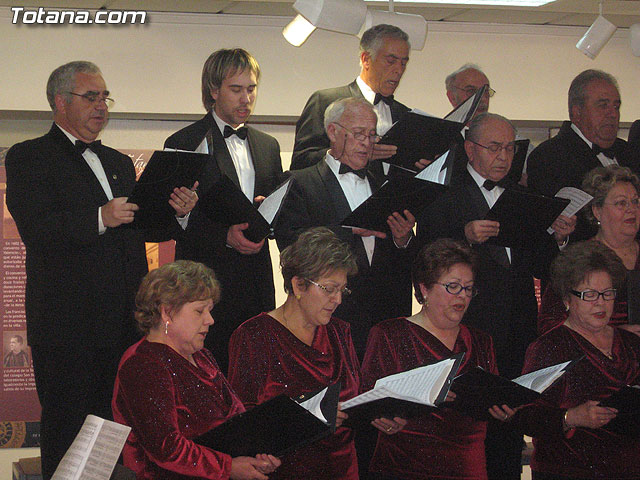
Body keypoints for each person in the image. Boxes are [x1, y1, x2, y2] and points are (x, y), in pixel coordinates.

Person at [5, 61, 195, 479]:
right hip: (66, 326)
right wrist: (98, 217)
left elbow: (138, 228)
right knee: (69, 429)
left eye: (104, 97)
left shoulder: (119, 162)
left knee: (116, 431)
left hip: (123, 323)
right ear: (60, 102)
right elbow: (38, 230)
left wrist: (177, 214)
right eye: (90, 97)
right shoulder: (27, 157)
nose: (101, 105)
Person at [418, 112, 575, 480]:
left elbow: (542, 267)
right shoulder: (445, 195)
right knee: (466, 436)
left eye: (509, 148)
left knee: (509, 435)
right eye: (494, 147)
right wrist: (464, 238)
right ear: (470, 149)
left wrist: (558, 236)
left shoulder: (522, 196)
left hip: (518, 332)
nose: (504, 156)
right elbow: (423, 257)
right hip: (466, 333)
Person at [228, 227, 406, 480]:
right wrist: (310, 417)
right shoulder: (254, 334)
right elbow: (243, 421)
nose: (338, 300)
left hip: (343, 468)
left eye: (342, 290)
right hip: (284, 470)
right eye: (329, 289)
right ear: (298, 284)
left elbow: (356, 397)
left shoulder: (339, 332)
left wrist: (380, 415)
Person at [164, 48, 283, 374]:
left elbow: (276, 208)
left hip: (256, 280)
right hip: (205, 282)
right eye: (236, 89)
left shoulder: (268, 146)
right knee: (204, 379)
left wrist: (266, 215)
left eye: (251, 88)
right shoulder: (184, 141)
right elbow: (173, 221)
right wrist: (224, 236)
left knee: (258, 378)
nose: (246, 98)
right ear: (213, 90)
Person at [112, 260, 281, 479]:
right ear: (167, 312)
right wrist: (228, 467)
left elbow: (238, 419)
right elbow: (166, 449)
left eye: (209, 311)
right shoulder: (143, 363)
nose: (210, 320)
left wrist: (257, 455)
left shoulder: (202, 356)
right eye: (199, 311)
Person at [362, 238, 514, 480]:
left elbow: (491, 396)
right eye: (453, 286)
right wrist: (384, 418)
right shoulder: (389, 333)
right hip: (403, 466)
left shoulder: (481, 340)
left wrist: (503, 410)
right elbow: (369, 398)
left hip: (468, 467)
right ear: (424, 289)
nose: (462, 296)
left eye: (468, 288)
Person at [275, 97, 415, 358]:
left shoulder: (385, 185)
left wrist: (402, 238)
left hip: (384, 320)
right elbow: (291, 245)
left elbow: (400, 258)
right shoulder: (299, 183)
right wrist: (348, 230)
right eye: (359, 134)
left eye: (372, 135)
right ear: (332, 132)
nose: (367, 142)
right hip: (330, 319)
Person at [514, 241, 640, 480]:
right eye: (589, 294)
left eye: (608, 293)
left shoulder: (631, 343)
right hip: (567, 470)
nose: (601, 303)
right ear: (567, 299)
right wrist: (571, 417)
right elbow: (523, 416)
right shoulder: (549, 347)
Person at [528, 69, 640, 241]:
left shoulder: (629, 152)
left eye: (616, 106)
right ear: (577, 112)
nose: (613, 114)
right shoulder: (548, 156)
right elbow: (544, 231)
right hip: (583, 261)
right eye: (603, 105)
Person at [291, 24, 412, 171]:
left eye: (403, 63)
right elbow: (301, 162)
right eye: (391, 61)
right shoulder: (325, 101)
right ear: (366, 59)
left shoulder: (406, 115)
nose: (399, 70)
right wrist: (346, 153)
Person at [539, 165, 640, 335]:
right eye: (621, 203)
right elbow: (549, 324)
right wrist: (614, 336)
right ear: (597, 211)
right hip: (599, 356)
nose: (631, 209)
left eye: (636, 201)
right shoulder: (578, 260)